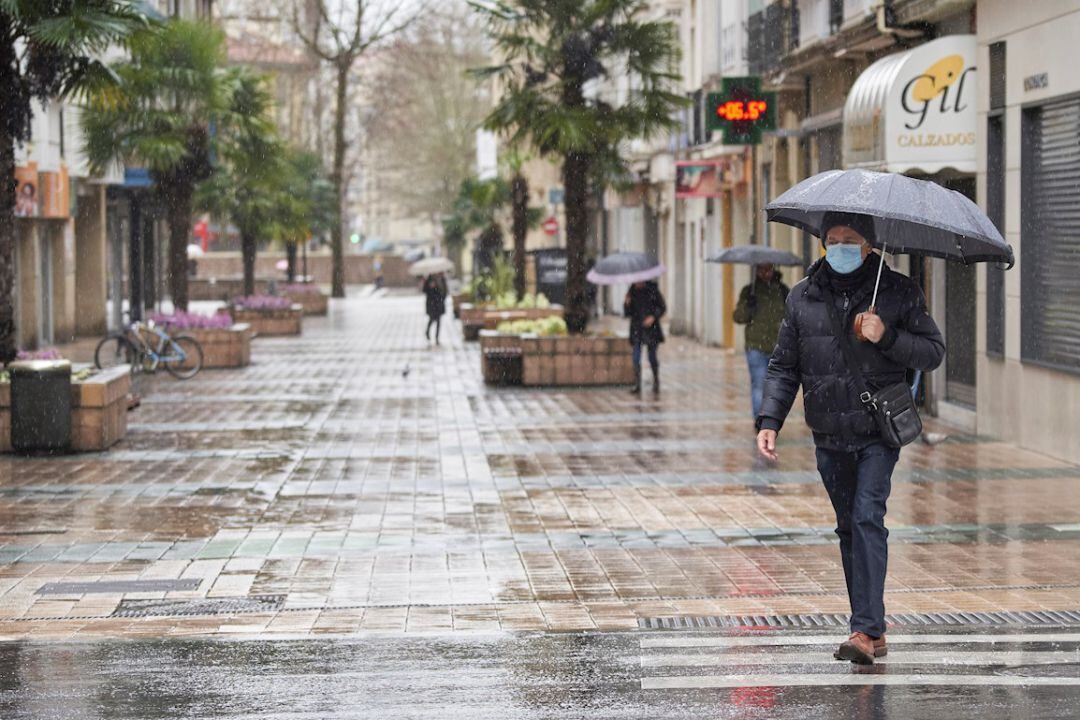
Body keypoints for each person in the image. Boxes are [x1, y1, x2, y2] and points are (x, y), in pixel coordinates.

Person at [755, 212, 944, 665]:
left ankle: (863, 630)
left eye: (850, 240)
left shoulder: (898, 293)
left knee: (866, 518)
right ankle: (872, 628)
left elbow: (933, 352)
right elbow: (785, 365)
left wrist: (887, 336)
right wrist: (769, 420)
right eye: (833, 240)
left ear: (869, 246)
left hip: (878, 431)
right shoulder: (803, 297)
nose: (840, 247)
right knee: (847, 528)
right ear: (823, 244)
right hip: (828, 432)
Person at [733, 263, 789, 420]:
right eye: (762, 269)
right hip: (755, 346)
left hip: (777, 346)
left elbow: (792, 315)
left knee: (775, 387)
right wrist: (748, 307)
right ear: (756, 271)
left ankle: (772, 420)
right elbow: (738, 317)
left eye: (768, 268)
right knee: (759, 385)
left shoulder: (782, 290)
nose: (766, 273)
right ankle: (760, 421)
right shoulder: (749, 291)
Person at [624, 280, 666, 394]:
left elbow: (662, 307)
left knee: (652, 357)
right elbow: (627, 313)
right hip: (637, 329)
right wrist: (627, 303)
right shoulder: (631, 291)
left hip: (652, 330)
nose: (637, 283)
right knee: (636, 357)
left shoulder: (652, 289)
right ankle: (637, 384)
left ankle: (656, 380)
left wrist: (652, 317)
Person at [422, 272, 447, 344]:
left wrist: (442, 296)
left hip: (439, 303)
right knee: (432, 319)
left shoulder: (442, 279)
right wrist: (430, 287)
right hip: (432, 304)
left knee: (439, 321)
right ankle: (427, 331)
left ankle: (437, 337)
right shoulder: (429, 279)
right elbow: (424, 290)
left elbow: (445, 291)